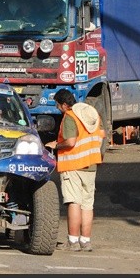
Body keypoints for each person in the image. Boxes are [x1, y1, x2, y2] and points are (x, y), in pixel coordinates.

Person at [44, 89, 105, 252]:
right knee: (87, 205)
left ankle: (73, 241)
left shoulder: (71, 117)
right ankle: (85, 241)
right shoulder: (92, 115)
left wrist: (56, 145)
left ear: (64, 104)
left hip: (73, 164)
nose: (58, 109)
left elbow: (70, 142)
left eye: (57, 105)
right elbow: (102, 136)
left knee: (74, 202)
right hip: (91, 165)